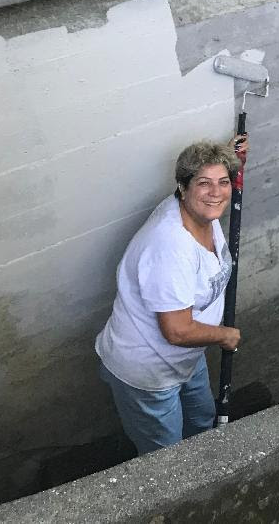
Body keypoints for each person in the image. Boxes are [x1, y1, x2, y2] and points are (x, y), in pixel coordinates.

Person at [95, 137, 246, 454]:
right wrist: (223, 335)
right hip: (148, 370)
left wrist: (234, 160)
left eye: (223, 182)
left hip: (188, 358)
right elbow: (176, 330)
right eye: (204, 183)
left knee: (202, 424)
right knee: (166, 455)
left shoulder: (202, 211)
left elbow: (210, 186)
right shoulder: (170, 246)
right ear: (182, 187)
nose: (216, 192)